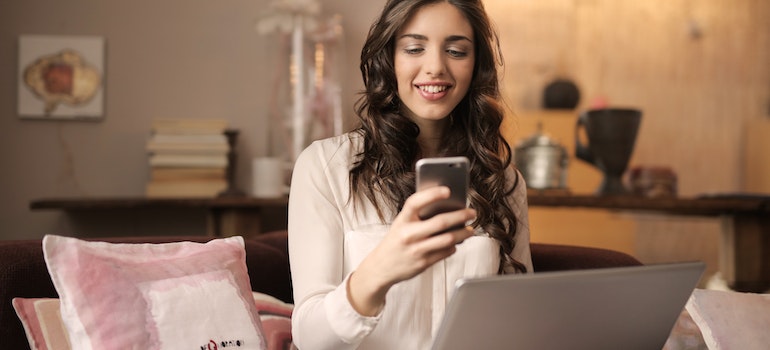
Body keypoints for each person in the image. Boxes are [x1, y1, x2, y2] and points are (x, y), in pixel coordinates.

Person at [287, 0, 533, 348]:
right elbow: (311, 339)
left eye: (456, 51)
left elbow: (520, 318)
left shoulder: (502, 179)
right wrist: (380, 270)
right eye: (414, 48)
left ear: (476, 64)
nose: (435, 67)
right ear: (389, 59)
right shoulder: (325, 167)